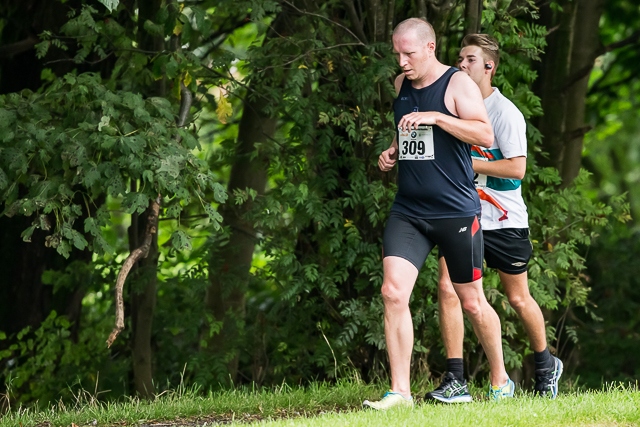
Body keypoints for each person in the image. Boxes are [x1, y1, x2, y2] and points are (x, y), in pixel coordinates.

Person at [362, 19, 514, 411]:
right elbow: (409, 130)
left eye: (408, 53)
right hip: (410, 210)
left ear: (429, 48)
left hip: (455, 212)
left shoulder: (457, 84)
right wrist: (394, 149)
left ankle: (500, 380)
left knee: (472, 302)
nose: (401, 61)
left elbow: (485, 136)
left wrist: (438, 117)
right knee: (392, 292)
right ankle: (400, 392)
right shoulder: (400, 85)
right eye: (397, 53)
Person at [424, 34, 563, 404]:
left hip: (505, 219)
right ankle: (456, 378)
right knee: (447, 288)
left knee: (518, 298)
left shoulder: (505, 113)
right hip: (462, 215)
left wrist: (468, 164)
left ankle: (546, 364)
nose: (462, 65)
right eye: (460, 58)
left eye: (470, 59)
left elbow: (516, 170)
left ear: (489, 67)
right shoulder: (454, 109)